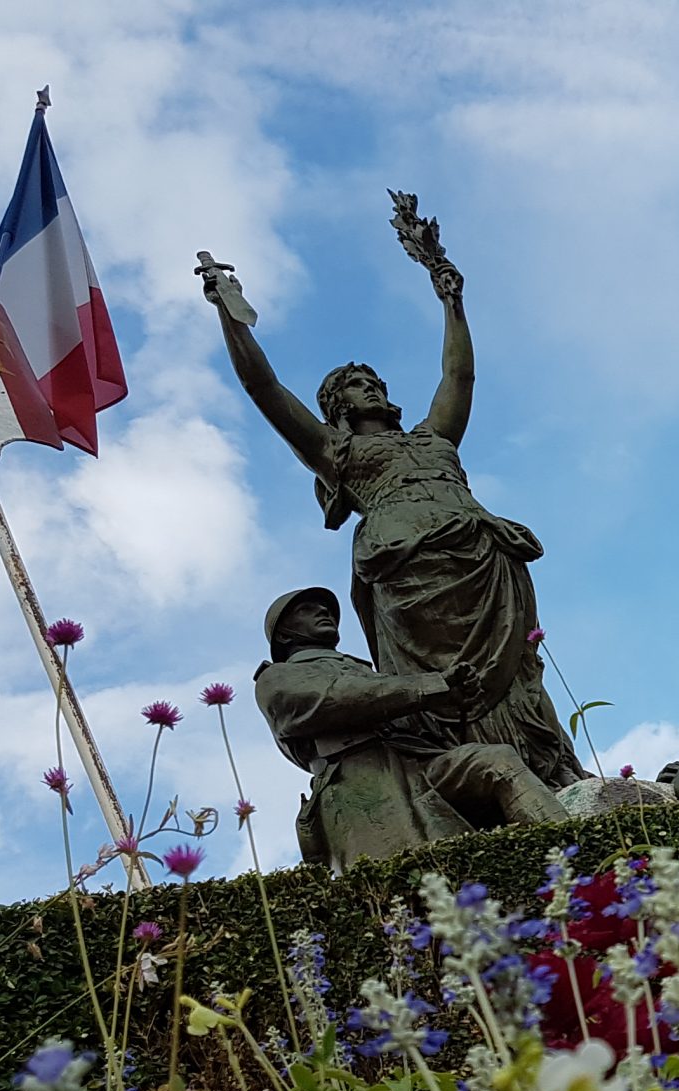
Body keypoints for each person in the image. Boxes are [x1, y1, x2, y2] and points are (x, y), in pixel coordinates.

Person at [205, 212, 585, 788]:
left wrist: (450, 299)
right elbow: (265, 388)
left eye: (376, 380)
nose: (374, 387)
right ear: (337, 406)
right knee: (445, 683)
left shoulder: (434, 438)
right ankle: (472, 781)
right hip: (410, 575)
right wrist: (231, 317)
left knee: (519, 677)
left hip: (483, 562)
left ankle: (546, 772)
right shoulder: (336, 452)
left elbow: (459, 378)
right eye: (358, 384)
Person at [254, 588, 566, 870]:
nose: (323, 612)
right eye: (306, 610)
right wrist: (431, 687)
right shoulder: (278, 677)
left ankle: (576, 850)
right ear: (284, 635)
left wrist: (455, 696)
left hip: (419, 765)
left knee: (497, 761)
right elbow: (335, 699)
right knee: (412, 885)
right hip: (360, 784)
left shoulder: (364, 670)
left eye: (324, 608)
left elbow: (401, 707)